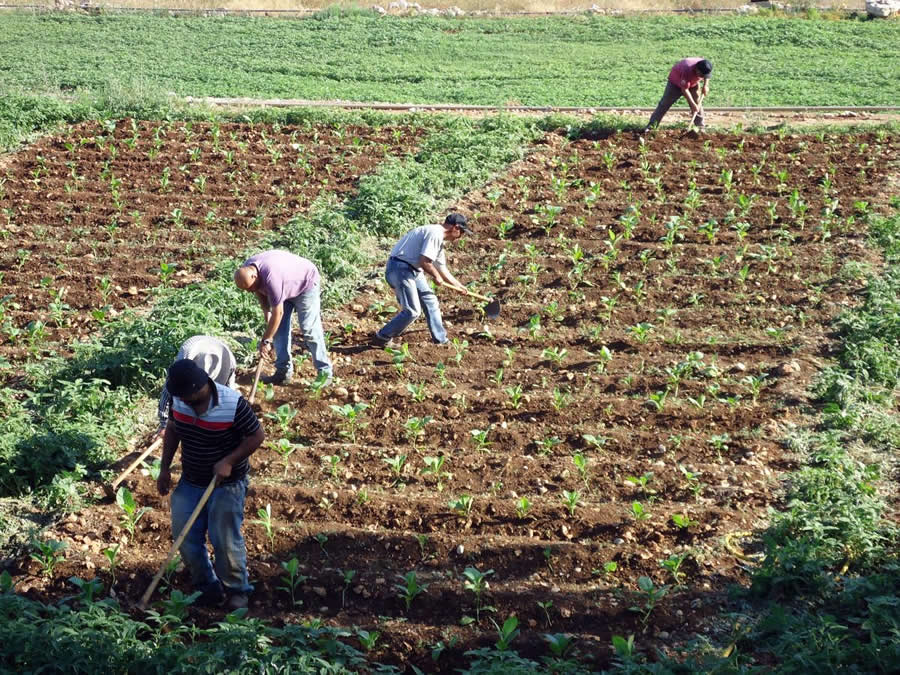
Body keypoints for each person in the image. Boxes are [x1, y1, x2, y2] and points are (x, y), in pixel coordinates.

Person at [156, 359, 265, 610]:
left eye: (184, 395)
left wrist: (229, 460)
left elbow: (256, 436)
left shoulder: (232, 403)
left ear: (198, 388)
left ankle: (237, 590)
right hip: (191, 479)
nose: (181, 399)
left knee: (224, 539)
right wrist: (164, 469)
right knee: (186, 538)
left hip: (227, 483)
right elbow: (173, 430)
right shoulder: (180, 400)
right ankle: (207, 587)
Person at [234, 250, 333, 385]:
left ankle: (325, 372)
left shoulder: (271, 277)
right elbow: (257, 290)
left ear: (254, 276)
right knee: (279, 331)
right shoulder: (247, 270)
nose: (251, 291)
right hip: (284, 286)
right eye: (248, 290)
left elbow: (278, 313)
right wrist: (265, 311)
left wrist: (266, 341)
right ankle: (283, 373)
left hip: (305, 283)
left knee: (309, 328)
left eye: (251, 288)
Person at [373, 213, 472, 347]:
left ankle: (441, 340)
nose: (461, 237)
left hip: (412, 269)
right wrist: (436, 277)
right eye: (462, 232)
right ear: (455, 228)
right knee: (412, 311)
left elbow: (442, 269)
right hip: (400, 268)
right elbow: (425, 262)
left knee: (430, 301)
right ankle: (382, 337)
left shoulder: (439, 239)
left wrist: (459, 286)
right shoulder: (435, 234)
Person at [156, 335, 237, 439]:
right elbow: (168, 393)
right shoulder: (186, 356)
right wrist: (164, 424)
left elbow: (229, 395)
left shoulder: (228, 361)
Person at [644, 58, 712, 132]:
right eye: (701, 75)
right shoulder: (687, 69)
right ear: (697, 69)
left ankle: (701, 128)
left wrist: (706, 85)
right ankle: (651, 127)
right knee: (665, 103)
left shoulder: (705, 65)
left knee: (697, 103)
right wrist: (692, 105)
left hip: (692, 83)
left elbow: (707, 75)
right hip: (675, 83)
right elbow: (684, 90)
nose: (702, 77)